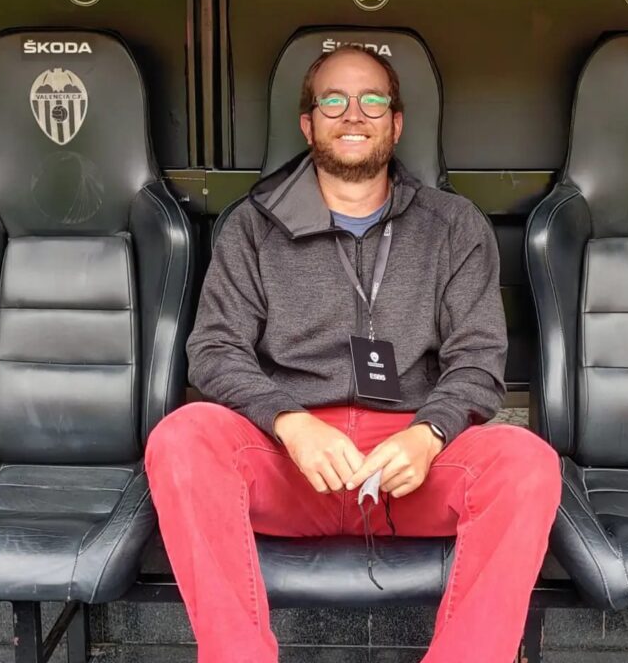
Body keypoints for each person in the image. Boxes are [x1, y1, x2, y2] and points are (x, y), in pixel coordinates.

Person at [145, 44, 561, 663]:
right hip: (292, 459)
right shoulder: (252, 226)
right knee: (182, 438)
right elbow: (214, 350)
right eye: (333, 100)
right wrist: (290, 422)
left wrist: (427, 436)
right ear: (308, 123)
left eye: (372, 100)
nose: (353, 114)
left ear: (395, 123)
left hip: (408, 465)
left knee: (526, 461)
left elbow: (477, 361)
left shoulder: (453, 225)